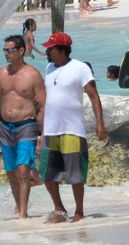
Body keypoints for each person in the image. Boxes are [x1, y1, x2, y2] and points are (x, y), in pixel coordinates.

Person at [38, 31, 107, 223]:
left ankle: (79, 211)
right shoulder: (49, 68)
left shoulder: (81, 68)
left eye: (51, 49)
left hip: (73, 130)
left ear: (62, 50)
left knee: (75, 175)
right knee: (47, 173)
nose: (48, 52)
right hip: (51, 130)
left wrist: (100, 124)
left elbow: (94, 96)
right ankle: (59, 208)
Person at [0, 34, 46, 220]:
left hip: (26, 126)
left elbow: (44, 105)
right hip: (5, 127)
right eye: (4, 50)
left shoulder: (33, 75)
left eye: (10, 50)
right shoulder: (1, 74)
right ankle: (19, 205)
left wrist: (42, 133)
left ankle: (23, 213)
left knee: (23, 170)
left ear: (21, 51)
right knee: (11, 171)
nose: (6, 54)